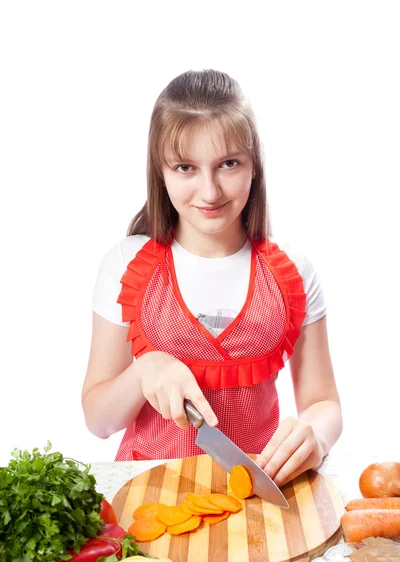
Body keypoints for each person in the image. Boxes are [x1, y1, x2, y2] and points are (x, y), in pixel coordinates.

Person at [82, 69, 342, 487]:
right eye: (186, 167)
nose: (210, 191)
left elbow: (324, 402)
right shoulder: (125, 264)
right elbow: (98, 419)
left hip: (255, 495)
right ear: (160, 172)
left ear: (254, 165)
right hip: (150, 491)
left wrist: (317, 434)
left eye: (228, 164)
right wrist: (144, 369)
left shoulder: (293, 273)